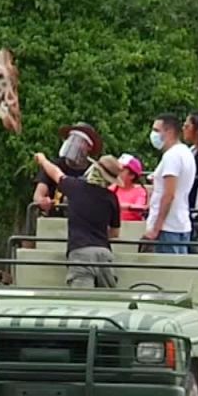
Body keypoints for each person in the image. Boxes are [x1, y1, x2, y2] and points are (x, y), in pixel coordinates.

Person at [34, 151, 122, 288]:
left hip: (80, 252)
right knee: (107, 300)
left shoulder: (75, 187)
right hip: (104, 252)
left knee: (82, 300)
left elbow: (56, 173)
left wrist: (43, 160)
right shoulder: (111, 198)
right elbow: (115, 233)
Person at [142, 113, 196, 254]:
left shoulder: (172, 156)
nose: (153, 134)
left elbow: (169, 194)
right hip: (181, 223)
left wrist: (156, 228)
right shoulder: (186, 153)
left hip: (168, 227)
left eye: (156, 130)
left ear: (169, 131)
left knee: (167, 274)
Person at [32, 122, 102, 214]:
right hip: (53, 221)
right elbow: (38, 195)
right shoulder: (53, 165)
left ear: (89, 146)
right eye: (71, 139)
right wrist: (42, 201)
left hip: (82, 222)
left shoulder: (93, 170)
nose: (74, 143)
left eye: (79, 140)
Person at [112, 153, 148, 222]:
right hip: (114, 224)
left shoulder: (139, 191)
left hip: (132, 227)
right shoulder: (113, 188)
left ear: (132, 175)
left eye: (121, 171)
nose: (118, 173)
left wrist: (119, 206)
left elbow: (139, 209)